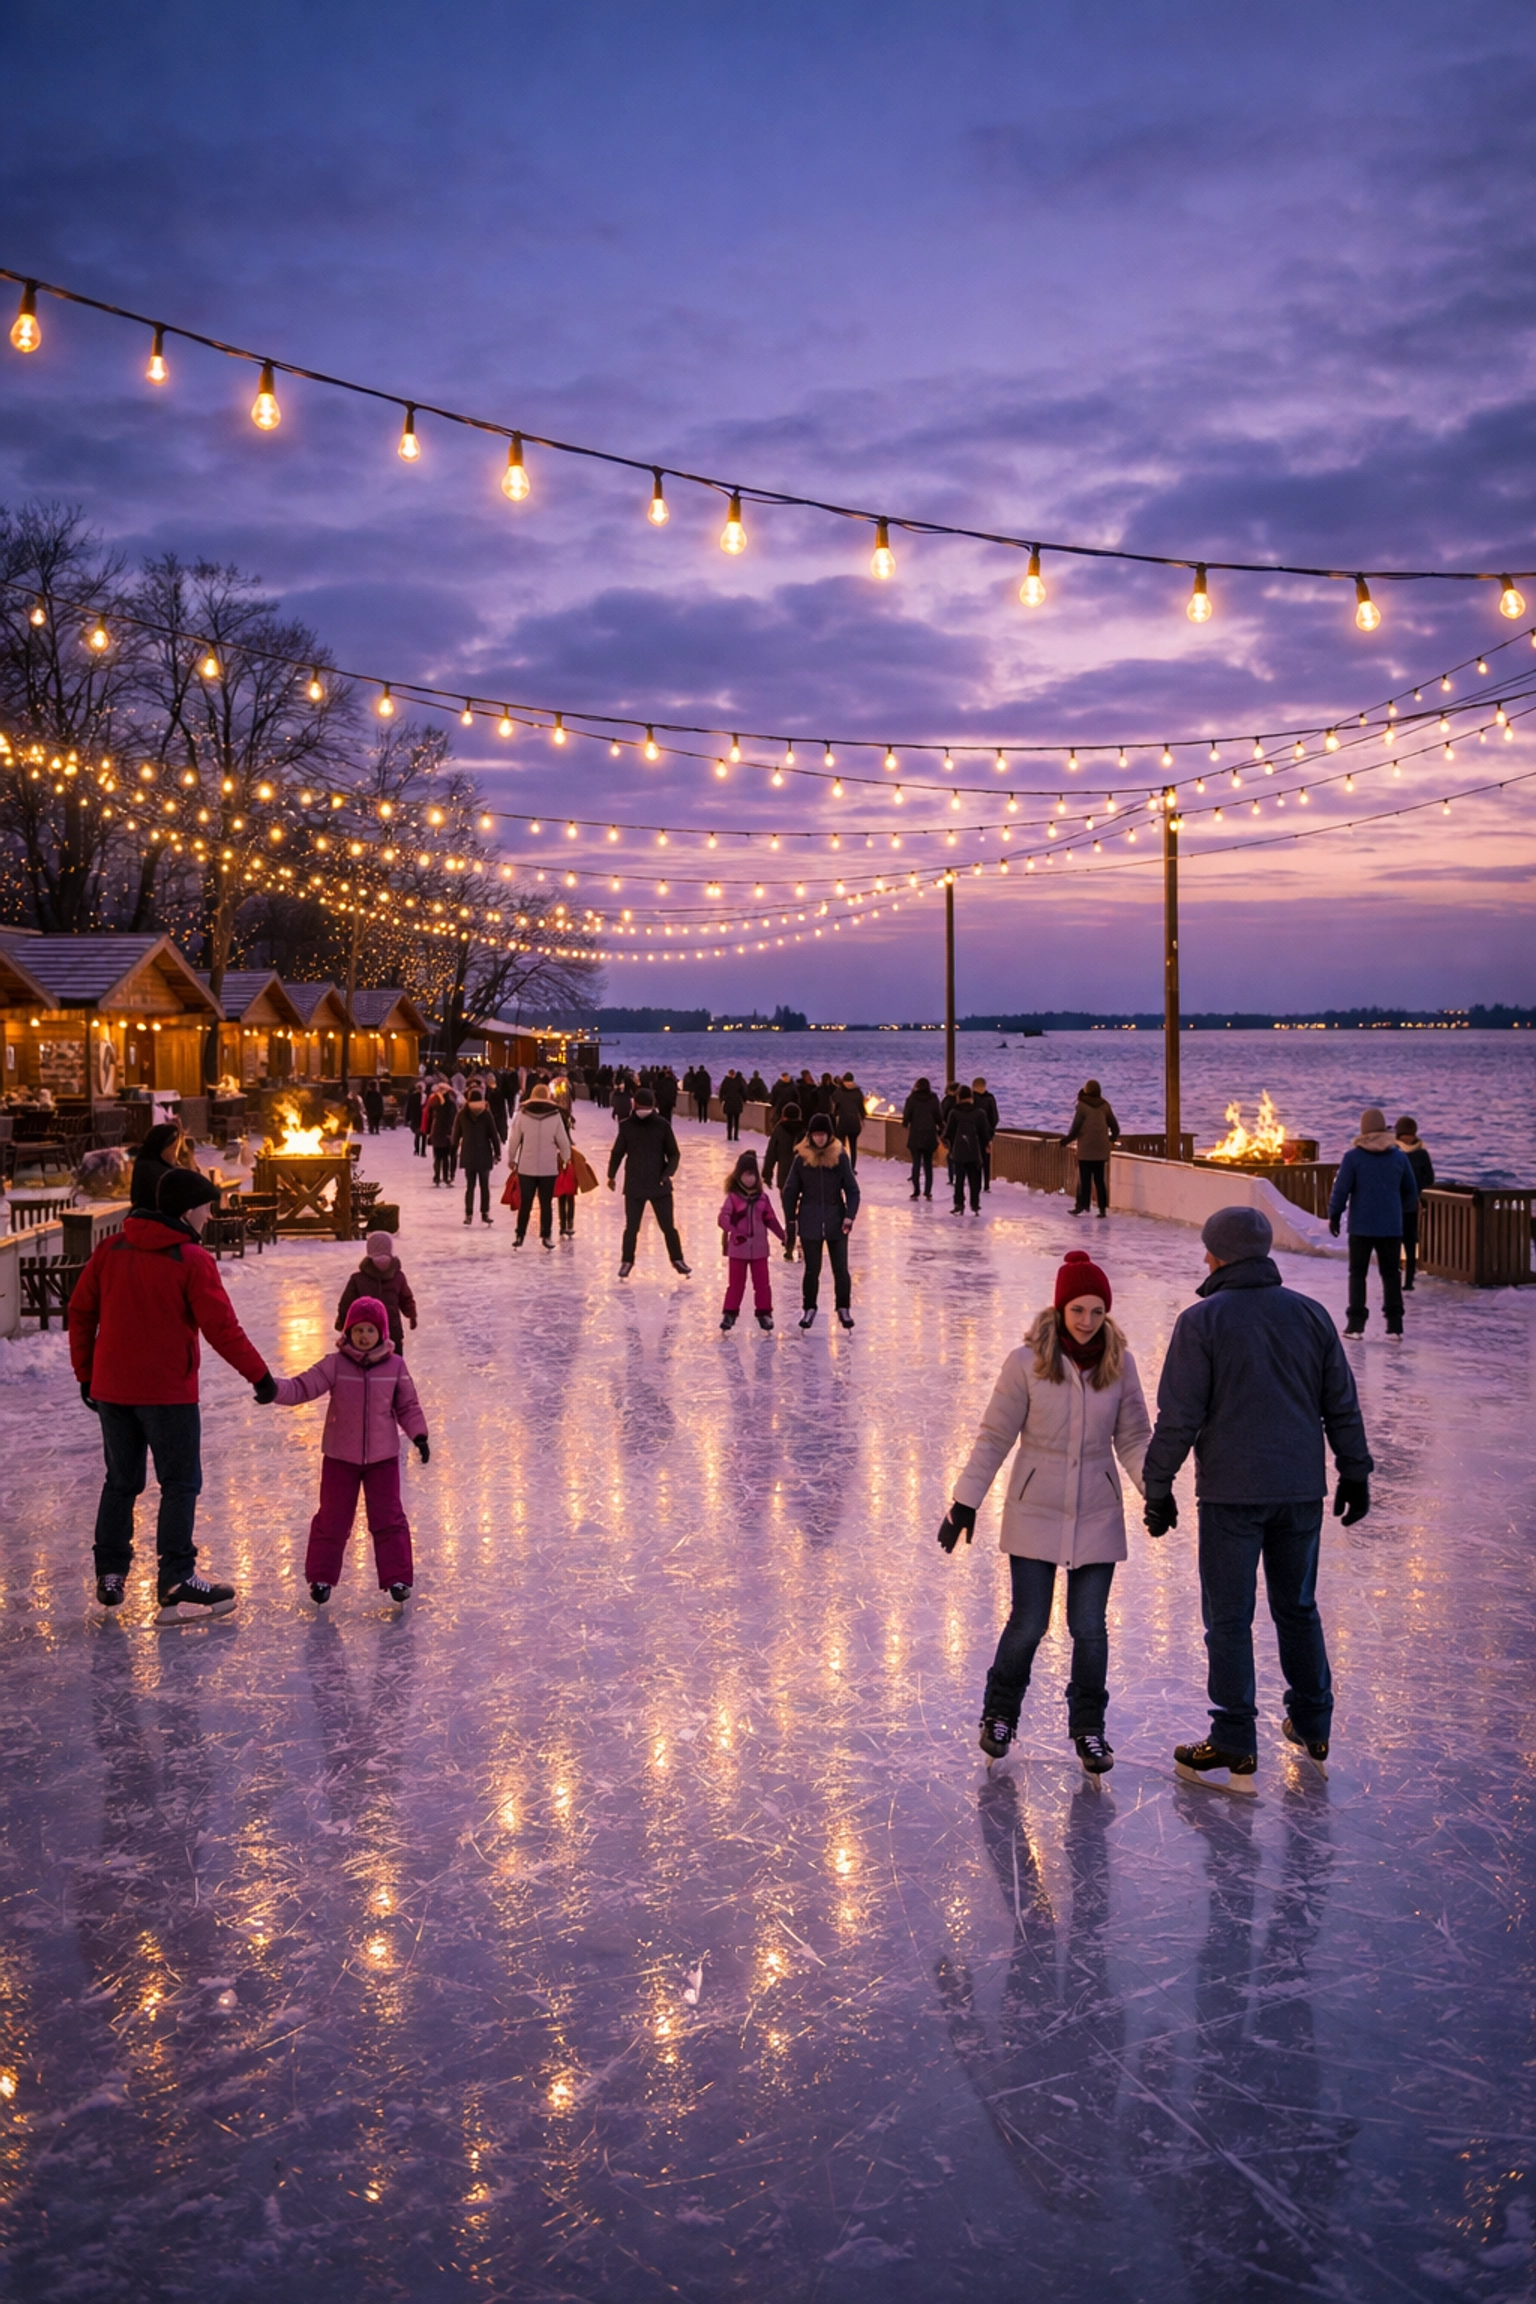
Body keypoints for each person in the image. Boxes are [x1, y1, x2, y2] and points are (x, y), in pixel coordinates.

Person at [1140, 1204, 1372, 1789]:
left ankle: (1235, 1744)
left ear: (1218, 1254)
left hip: (1231, 1496)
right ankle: (1312, 1723)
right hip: (1299, 1492)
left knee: (1229, 1617)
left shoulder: (1202, 1321)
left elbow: (1179, 1416)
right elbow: (1340, 1404)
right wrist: (1355, 1471)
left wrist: (1158, 1485)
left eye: (1207, 1248)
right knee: (1297, 1606)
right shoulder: (1312, 1315)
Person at [937, 1249, 1151, 1776]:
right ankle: (1000, 1715)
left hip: (1096, 1512)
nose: (1087, 1321)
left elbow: (1135, 1439)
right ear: (1060, 1309)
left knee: (1090, 1627)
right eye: (1078, 1309)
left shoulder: (1119, 1365)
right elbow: (994, 1437)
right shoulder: (1027, 1363)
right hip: (1035, 1510)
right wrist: (965, 1502)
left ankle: (1089, 1730)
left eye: (1097, 1311)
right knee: (1029, 1622)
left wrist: (1157, 1491)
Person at [69, 1167, 274, 1624]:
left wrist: (87, 1373)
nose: (208, 1216)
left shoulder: (111, 1248)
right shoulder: (190, 1258)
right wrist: (260, 1377)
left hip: (113, 1391)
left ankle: (110, 1574)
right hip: (167, 1394)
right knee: (180, 1484)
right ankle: (177, 1577)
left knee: (121, 1481)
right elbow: (222, 1328)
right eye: (206, 1207)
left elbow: (80, 1310)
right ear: (188, 1209)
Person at [271, 1296, 429, 1609]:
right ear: (349, 1331)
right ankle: (321, 1577)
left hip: (382, 1459)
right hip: (339, 1458)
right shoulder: (335, 1364)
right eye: (358, 1330)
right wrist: (270, 1388)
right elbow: (303, 1386)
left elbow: (407, 1404)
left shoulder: (396, 1366)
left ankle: (397, 1578)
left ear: (381, 1333)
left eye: (370, 1330)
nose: (364, 1336)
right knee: (332, 1518)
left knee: (388, 1518)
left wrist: (419, 1435)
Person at [1327, 1106, 1418, 1338]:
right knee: (1391, 1275)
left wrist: (1334, 1215)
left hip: (1361, 1227)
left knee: (1358, 1274)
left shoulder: (1353, 1158)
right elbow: (1411, 1191)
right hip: (1391, 1227)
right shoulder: (1399, 1157)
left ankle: (1356, 1325)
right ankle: (1395, 1326)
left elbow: (1341, 1190)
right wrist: (1399, 1212)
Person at [782, 1112, 859, 1331]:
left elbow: (853, 1190)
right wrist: (791, 1219)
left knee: (840, 1269)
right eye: (816, 1135)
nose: (819, 1139)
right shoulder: (802, 1159)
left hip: (837, 1222)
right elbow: (790, 1191)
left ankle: (843, 1307)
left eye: (823, 1135)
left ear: (829, 1135)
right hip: (810, 1222)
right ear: (810, 1136)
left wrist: (849, 1216)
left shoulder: (839, 1157)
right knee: (811, 1269)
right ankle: (809, 1307)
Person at [608, 1083, 689, 1277]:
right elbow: (618, 1153)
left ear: (635, 1103)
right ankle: (629, 1261)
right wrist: (611, 1174)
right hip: (643, 1185)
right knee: (640, 1227)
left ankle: (675, 1259)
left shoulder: (658, 1125)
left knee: (661, 1227)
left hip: (653, 1185)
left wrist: (668, 1173)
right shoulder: (631, 1126)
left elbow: (673, 1154)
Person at [718, 1147, 786, 1331]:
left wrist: (784, 1237)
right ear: (738, 1176)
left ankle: (764, 1313)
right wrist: (733, 1230)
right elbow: (723, 1218)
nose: (749, 1179)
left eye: (752, 1175)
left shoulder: (762, 1199)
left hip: (759, 1250)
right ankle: (730, 1314)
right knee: (736, 1284)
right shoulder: (733, 1199)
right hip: (738, 1248)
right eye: (745, 1175)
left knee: (762, 1284)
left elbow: (771, 1219)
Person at [505, 1080, 571, 1249]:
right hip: (548, 1168)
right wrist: (566, 1158)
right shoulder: (555, 1116)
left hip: (526, 1167)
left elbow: (514, 1139)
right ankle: (546, 1236)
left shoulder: (523, 1114)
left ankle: (520, 1235)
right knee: (546, 1203)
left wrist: (511, 1158)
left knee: (525, 1202)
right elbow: (563, 1141)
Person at [337, 1229, 418, 1353]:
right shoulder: (398, 1277)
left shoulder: (358, 1278)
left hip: (365, 1332)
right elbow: (406, 1299)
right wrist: (411, 1315)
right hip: (392, 1331)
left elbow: (346, 1304)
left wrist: (342, 1321)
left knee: (367, 1364)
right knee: (394, 1365)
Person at [1065, 1080, 1119, 1217]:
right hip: (1101, 1149)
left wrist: (1065, 1141)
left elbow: (1076, 1129)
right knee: (1100, 1180)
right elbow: (1115, 1128)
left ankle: (1082, 1206)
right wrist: (1109, 1140)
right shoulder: (1105, 1106)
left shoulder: (1082, 1106)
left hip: (1086, 1149)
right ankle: (1102, 1209)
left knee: (1084, 1179)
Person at [452, 1085, 503, 1227]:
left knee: (470, 1186)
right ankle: (485, 1213)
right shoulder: (486, 1114)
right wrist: (497, 1153)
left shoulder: (462, 1114)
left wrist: (454, 1150)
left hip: (468, 1154)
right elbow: (493, 1135)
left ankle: (468, 1214)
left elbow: (456, 1135)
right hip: (484, 1154)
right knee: (484, 1186)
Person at [1394, 1116, 1434, 1291]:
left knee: (1408, 1244)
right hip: (1398, 1205)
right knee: (1397, 1244)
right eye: (1404, 1135)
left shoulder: (1418, 1153)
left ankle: (1408, 1282)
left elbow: (1429, 1178)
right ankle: (1397, 1278)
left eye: (1409, 1135)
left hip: (1408, 1205)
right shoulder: (1395, 1151)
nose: (1407, 1138)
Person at [763, 1100, 802, 1261]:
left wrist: (767, 1173)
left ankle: (789, 1243)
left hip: (785, 1177)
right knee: (803, 1210)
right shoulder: (804, 1130)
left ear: (784, 1115)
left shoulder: (779, 1130)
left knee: (789, 1213)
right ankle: (803, 1238)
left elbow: (771, 1153)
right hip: (803, 1177)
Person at [945, 1084, 991, 1214]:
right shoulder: (979, 1113)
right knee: (975, 1180)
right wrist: (986, 1145)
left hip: (958, 1151)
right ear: (971, 1098)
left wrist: (951, 1145)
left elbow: (949, 1132)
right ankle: (975, 1204)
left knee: (959, 1179)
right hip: (974, 1151)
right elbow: (984, 1133)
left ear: (958, 1098)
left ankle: (959, 1204)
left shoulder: (954, 1113)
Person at [903, 1077, 944, 1201]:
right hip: (929, 1135)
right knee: (928, 1164)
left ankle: (916, 1191)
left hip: (915, 1135)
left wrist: (906, 1123)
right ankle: (927, 1191)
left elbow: (906, 1117)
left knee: (916, 1164)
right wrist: (941, 1127)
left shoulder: (911, 1099)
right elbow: (938, 1116)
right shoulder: (933, 1098)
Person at [130, 1120, 183, 1213]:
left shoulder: (145, 1162)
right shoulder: (153, 1169)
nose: (175, 1154)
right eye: (172, 1148)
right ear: (161, 1147)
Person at [831, 1073, 867, 1169]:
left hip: (842, 1123)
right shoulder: (858, 1092)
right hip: (854, 1123)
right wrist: (862, 1118)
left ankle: (842, 1166)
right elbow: (861, 1108)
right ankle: (852, 1167)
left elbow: (834, 1104)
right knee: (853, 1146)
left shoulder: (839, 1092)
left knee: (841, 1146)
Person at [428, 1082, 459, 1186]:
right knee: (444, 1158)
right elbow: (452, 1119)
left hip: (437, 1132)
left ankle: (437, 1177)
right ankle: (445, 1178)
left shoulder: (437, 1103)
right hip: (445, 1133)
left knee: (438, 1158)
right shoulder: (449, 1104)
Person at [972, 1077, 1000, 1190]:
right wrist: (990, 1130)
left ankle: (975, 1182)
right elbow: (994, 1117)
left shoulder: (971, 1098)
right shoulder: (990, 1098)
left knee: (974, 1160)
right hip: (986, 1134)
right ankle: (986, 1184)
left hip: (972, 1134)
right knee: (986, 1160)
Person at [720, 1069, 747, 1141]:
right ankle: (735, 1136)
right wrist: (744, 1100)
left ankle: (729, 1136)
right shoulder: (738, 1081)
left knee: (729, 1121)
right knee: (736, 1122)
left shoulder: (725, 1081)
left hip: (728, 1104)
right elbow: (743, 1092)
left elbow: (722, 1092)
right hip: (737, 1104)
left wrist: (722, 1100)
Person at [404, 1078, 426, 1156]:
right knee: (423, 1134)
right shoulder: (425, 1097)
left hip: (415, 1117)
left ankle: (417, 1150)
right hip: (423, 1117)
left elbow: (409, 1107)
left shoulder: (412, 1096)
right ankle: (422, 1151)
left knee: (417, 1134)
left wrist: (408, 1118)